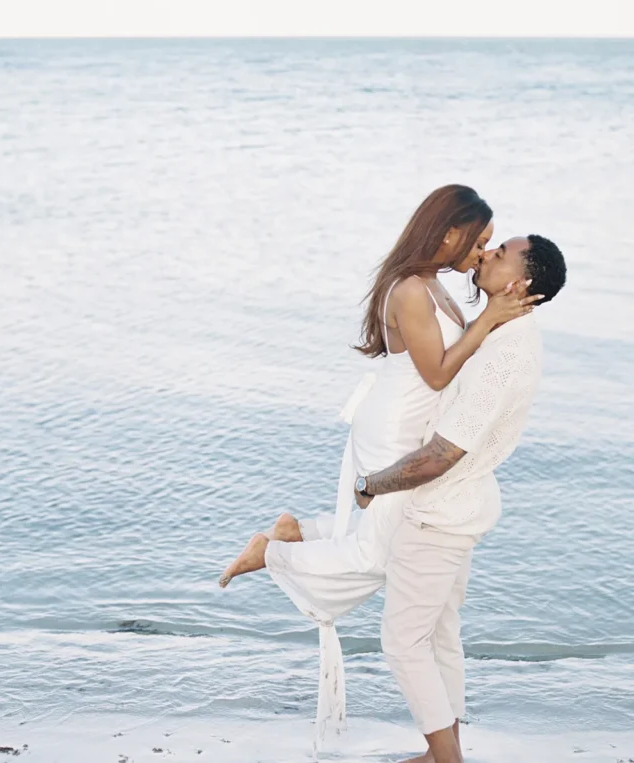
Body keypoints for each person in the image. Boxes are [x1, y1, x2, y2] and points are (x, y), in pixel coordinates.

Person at [217, 185, 541, 744]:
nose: (480, 254)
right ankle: (272, 552)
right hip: (394, 428)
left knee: (382, 546)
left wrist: (490, 321)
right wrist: (489, 319)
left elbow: (451, 369)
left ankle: (301, 531)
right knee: (374, 558)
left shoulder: (434, 286)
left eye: (491, 245)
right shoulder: (412, 290)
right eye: (479, 241)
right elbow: (439, 374)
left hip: (409, 423)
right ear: (448, 234)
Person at [354, 234, 567, 763]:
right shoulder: (507, 331)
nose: (485, 256)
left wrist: (370, 485)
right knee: (440, 636)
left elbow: (442, 454)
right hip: (462, 505)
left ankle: (446, 759)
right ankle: (443, 753)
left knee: (404, 642)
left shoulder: (504, 358)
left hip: (440, 514)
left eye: (499, 255)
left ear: (520, 282)